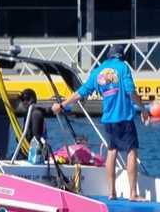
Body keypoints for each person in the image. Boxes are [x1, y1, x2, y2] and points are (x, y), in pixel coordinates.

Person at [52, 44, 150, 200]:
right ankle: (133, 193)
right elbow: (131, 91)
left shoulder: (98, 71)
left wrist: (62, 105)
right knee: (131, 151)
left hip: (108, 119)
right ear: (121, 56)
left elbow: (81, 92)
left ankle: (111, 192)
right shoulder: (123, 68)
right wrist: (143, 109)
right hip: (124, 117)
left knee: (112, 151)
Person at [19, 88, 48, 163]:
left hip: (34, 155)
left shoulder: (35, 114)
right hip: (28, 151)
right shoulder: (29, 113)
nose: (22, 102)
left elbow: (36, 138)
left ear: (30, 100)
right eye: (22, 100)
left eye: (23, 99)